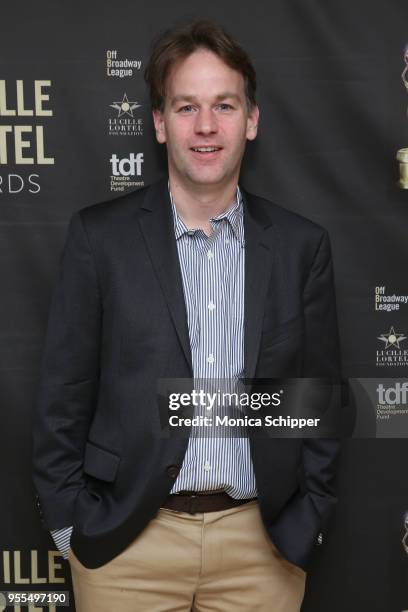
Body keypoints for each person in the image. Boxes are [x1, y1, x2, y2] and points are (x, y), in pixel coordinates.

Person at [32, 20, 342, 612]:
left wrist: (310, 517)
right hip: (127, 550)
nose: (206, 126)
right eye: (186, 106)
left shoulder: (303, 247)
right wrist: (73, 531)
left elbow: (316, 400)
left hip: (261, 551)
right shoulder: (99, 239)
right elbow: (61, 396)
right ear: (158, 121)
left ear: (251, 120)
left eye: (224, 105)